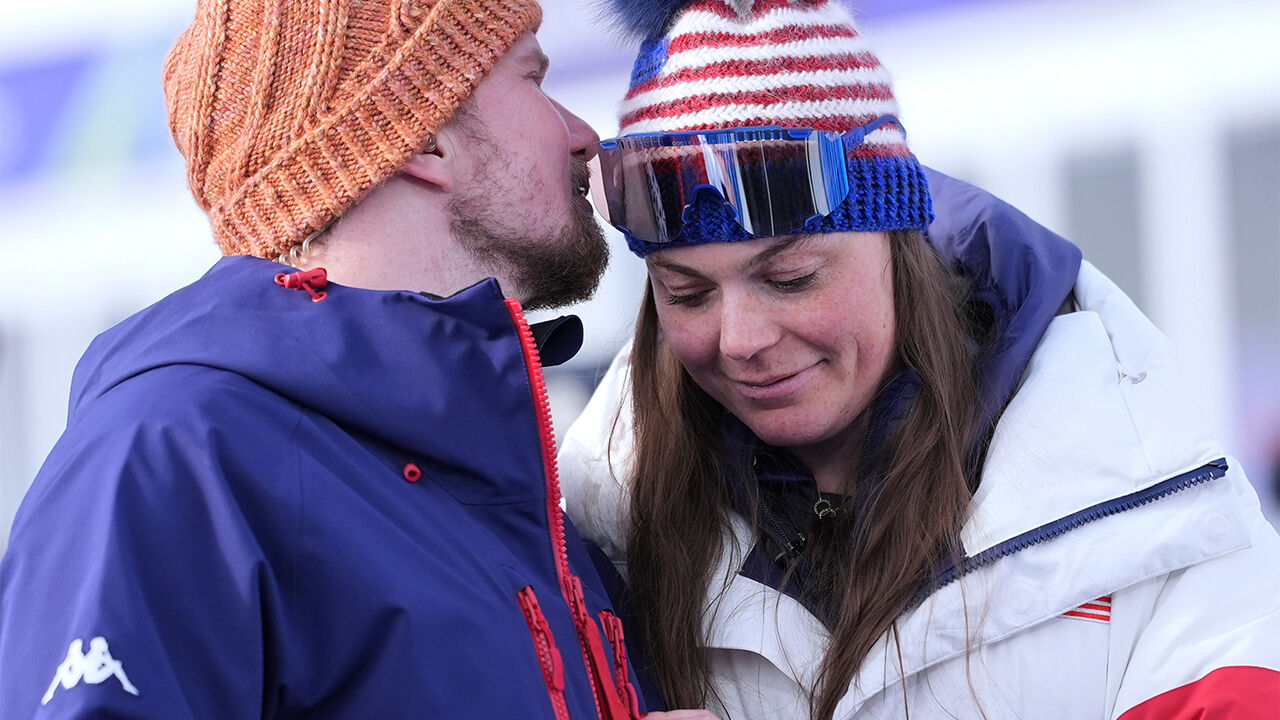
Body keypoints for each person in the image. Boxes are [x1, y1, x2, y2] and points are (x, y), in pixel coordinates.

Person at [560, 1, 1280, 718]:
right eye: (687, 294)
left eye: (791, 279)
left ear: (900, 251)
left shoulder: (1151, 495)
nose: (740, 339)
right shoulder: (606, 525)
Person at [0, 0, 718, 718]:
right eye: (533, 80)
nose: (584, 136)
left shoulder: (504, 499)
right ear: (425, 138)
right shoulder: (171, 457)